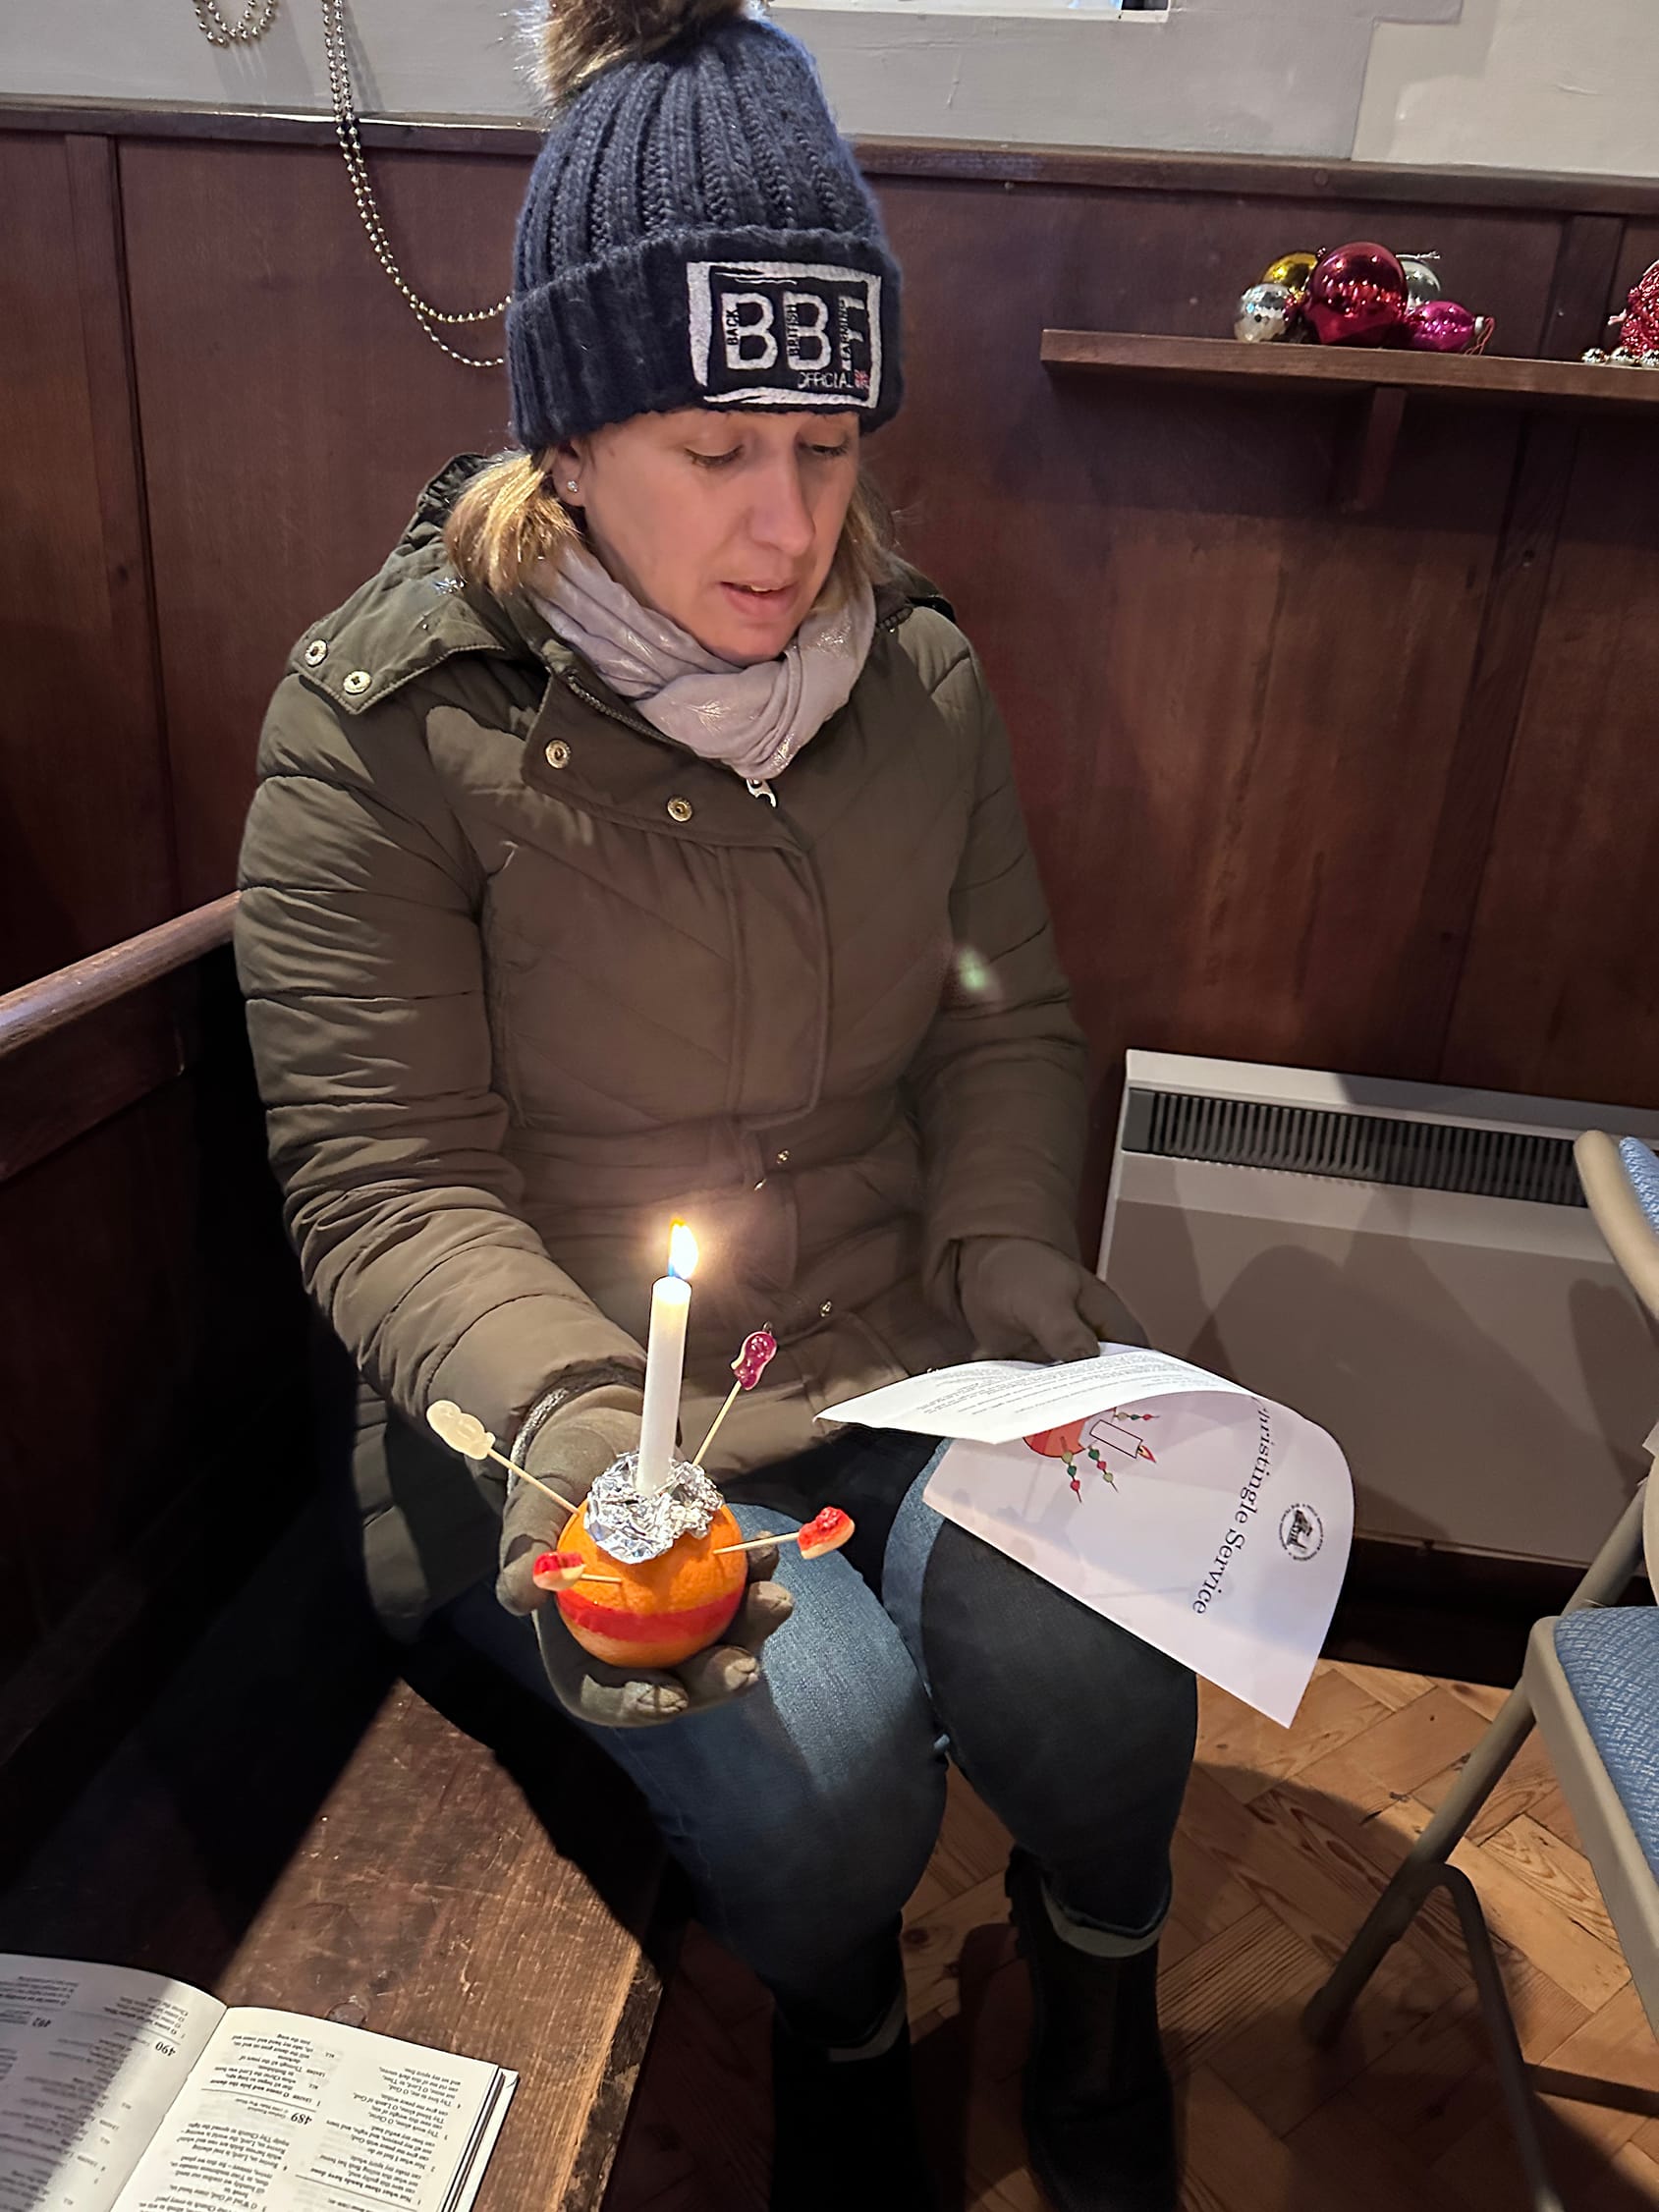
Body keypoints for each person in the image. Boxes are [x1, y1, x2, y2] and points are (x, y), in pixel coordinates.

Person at [235, 0, 1195, 2204]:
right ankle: (837, 2030)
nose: (787, 527)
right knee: (827, 1769)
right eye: (715, 447)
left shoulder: (915, 674)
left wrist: (1011, 1258)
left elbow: (999, 1026)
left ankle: (1101, 1968)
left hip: (905, 1348)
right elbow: (384, 1189)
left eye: (827, 446)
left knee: (1101, 1653)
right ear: (567, 438)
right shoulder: (381, 728)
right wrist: (598, 1444)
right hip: (573, 1408)